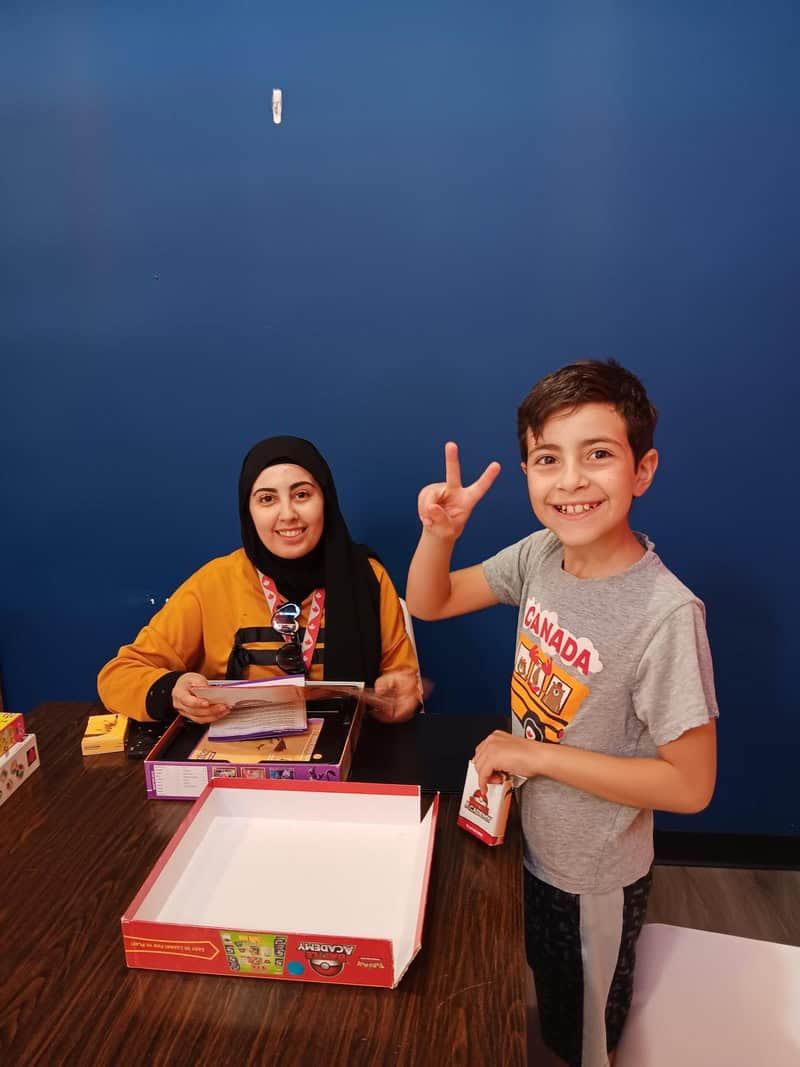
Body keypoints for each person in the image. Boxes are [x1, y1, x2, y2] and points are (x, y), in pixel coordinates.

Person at [406, 360, 718, 1067]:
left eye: (597, 454)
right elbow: (430, 600)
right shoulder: (544, 554)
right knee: (549, 993)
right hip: (531, 839)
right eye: (549, 459)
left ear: (642, 470)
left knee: (585, 1035)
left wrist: (535, 755)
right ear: (527, 472)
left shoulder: (667, 615)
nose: (571, 480)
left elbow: (691, 785)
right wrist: (441, 534)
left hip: (592, 874)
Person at [98, 435, 421, 725]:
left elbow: (402, 681)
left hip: (348, 754)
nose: (288, 514)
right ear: (248, 511)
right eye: (267, 499)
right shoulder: (214, 583)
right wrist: (172, 691)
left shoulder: (368, 578)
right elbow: (118, 675)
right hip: (238, 760)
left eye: (302, 495)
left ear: (326, 500)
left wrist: (400, 697)